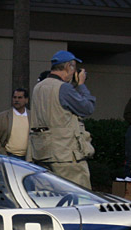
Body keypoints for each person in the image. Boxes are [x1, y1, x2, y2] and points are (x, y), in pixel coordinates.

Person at [28, 50, 96, 189]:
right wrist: (81, 84)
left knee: (49, 197)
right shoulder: (63, 88)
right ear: (67, 67)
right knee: (78, 195)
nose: (74, 72)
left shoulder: (38, 87)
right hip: (64, 154)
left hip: (41, 152)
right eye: (74, 68)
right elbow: (87, 108)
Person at [0, 87, 29, 159]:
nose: (16, 100)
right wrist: (3, 154)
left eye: (20, 98)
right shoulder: (1, 117)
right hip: (9, 156)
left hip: (28, 157)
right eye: (14, 97)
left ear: (26, 100)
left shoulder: (33, 117)